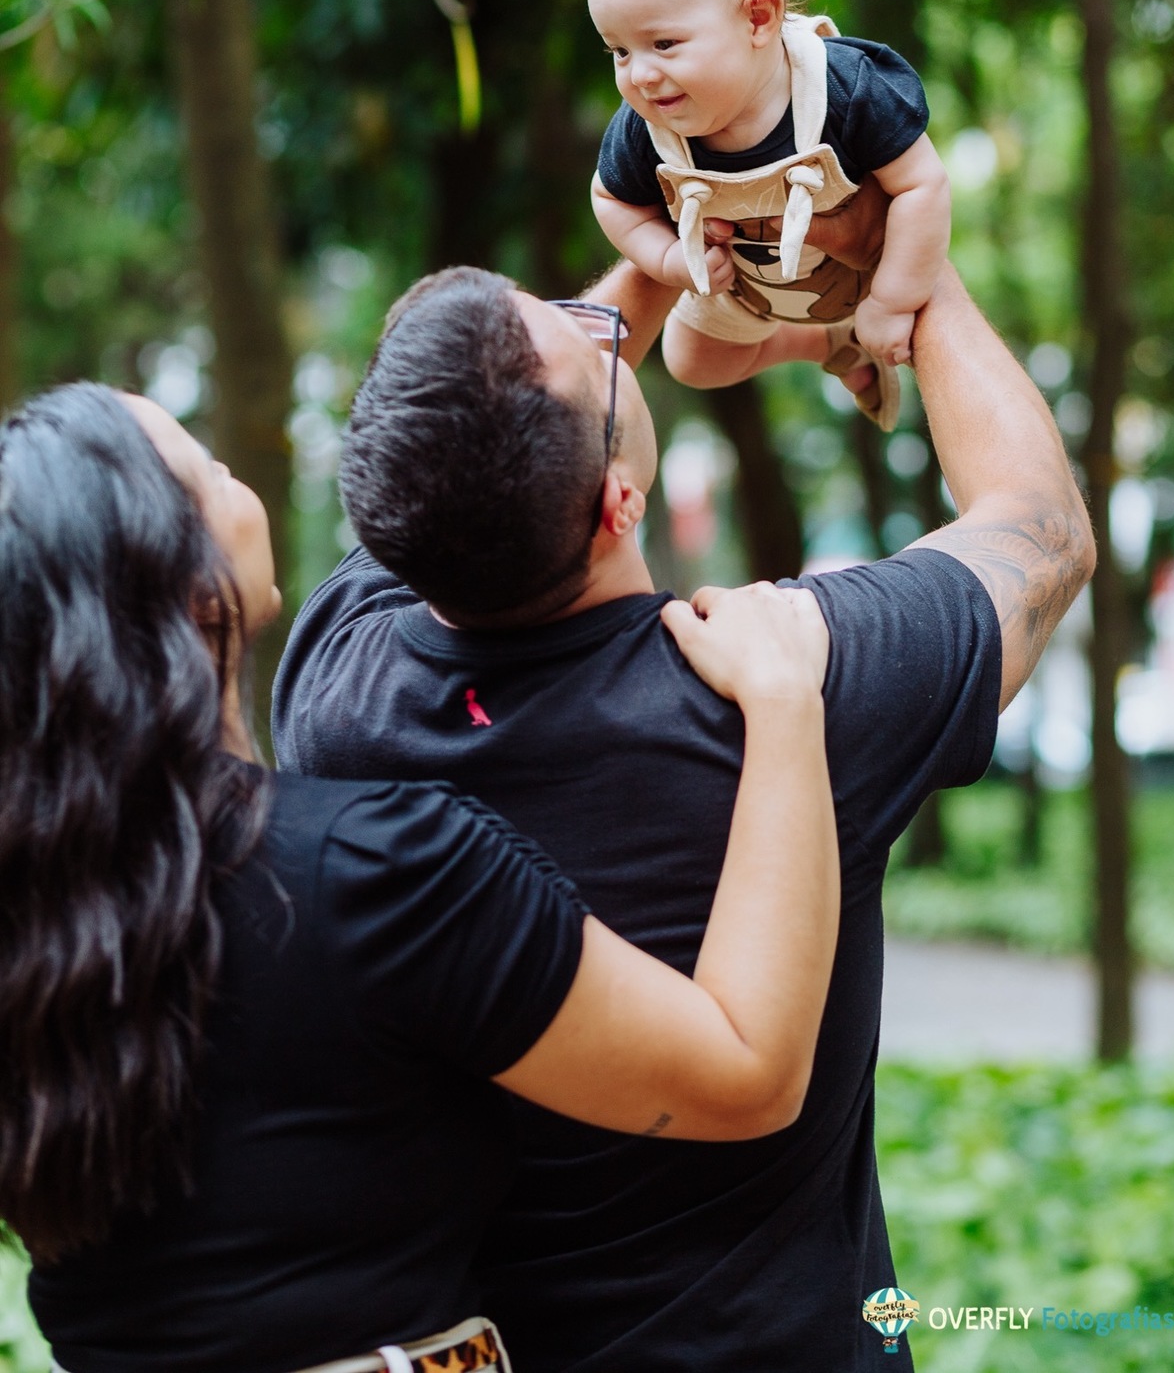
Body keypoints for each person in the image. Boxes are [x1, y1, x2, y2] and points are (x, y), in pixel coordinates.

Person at [273, 243, 1095, 1373]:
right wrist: (910, 259)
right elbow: (1042, 531)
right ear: (620, 503)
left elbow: (489, 422)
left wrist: (663, 254)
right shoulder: (787, 685)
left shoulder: (334, 694)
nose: (602, 325)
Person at [0, 379, 845, 1373]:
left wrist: (614, 316)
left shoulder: (38, 920)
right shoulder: (378, 871)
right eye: (207, 471)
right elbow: (745, 1071)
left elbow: (489, 454)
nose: (234, 476)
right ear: (192, 588)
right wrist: (786, 705)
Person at [587, 0, 952, 426]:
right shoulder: (647, 126)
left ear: (759, 18)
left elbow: (922, 185)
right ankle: (827, 344)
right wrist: (664, 258)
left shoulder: (843, 88)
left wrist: (890, 300)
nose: (639, 75)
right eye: (619, 51)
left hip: (868, 275)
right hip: (745, 289)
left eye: (663, 42)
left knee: (936, 331)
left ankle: (866, 327)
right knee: (690, 360)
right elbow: (611, 201)